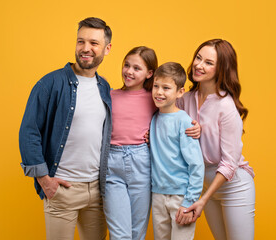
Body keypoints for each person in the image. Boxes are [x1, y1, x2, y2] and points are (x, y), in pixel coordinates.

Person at [18, 17, 112, 240]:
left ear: (107, 48)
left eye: (93, 43)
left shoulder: (104, 87)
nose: (85, 48)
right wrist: (44, 179)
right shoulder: (50, 83)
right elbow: (29, 131)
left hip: (97, 190)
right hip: (62, 189)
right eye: (81, 41)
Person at [103, 47, 201, 240]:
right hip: (115, 164)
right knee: (120, 233)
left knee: (137, 232)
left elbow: (176, 107)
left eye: (137, 68)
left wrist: (198, 126)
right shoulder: (111, 96)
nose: (129, 71)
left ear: (149, 73)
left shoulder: (155, 100)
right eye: (127, 65)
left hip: (144, 166)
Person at [177, 39, 255, 240]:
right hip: (203, 184)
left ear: (222, 69)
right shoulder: (185, 99)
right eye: (198, 58)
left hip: (233, 186)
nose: (199, 65)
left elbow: (229, 163)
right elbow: (166, 119)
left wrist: (203, 200)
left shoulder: (227, 107)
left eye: (208, 63)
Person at [149, 62, 205, 240]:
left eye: (166, 88)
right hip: (158, 194)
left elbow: (196, 164)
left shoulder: (184, 122)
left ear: (180, 92)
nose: (159, 92)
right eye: (156, 86)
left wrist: (190, 201)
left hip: (181, 196)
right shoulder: (153, 119)